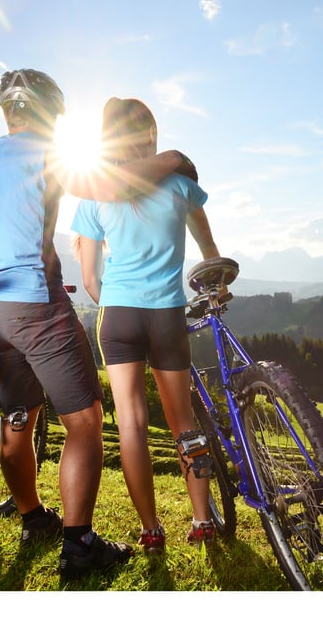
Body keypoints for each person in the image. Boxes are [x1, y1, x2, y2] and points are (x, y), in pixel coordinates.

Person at [0, 69, 195, 581]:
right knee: (85, 421)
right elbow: (118, 186)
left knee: (18, 416)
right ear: (52, 114)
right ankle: (79, 546)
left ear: (7, 113)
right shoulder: (46, 151)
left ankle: (33, 518)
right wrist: (174, 160)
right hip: (37, 306)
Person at [70, 97, 221, 554]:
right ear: (150, 135)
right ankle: (202, 520)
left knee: (132, 427)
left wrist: (118, 301)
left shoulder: (94, 194)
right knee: (183, 423)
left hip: (118, 317)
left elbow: (91, 280)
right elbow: (209, 252)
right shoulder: (180, 186)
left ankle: (152, 530)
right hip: (167, 315)